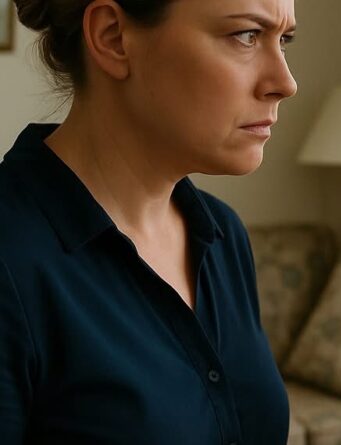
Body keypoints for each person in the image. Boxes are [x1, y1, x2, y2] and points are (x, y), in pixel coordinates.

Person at [0, 0, 297, 443]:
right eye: (246, 35)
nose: (286, 83)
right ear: (113, 37)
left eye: (284, 39)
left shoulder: (224, 234)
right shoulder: (10, 259)